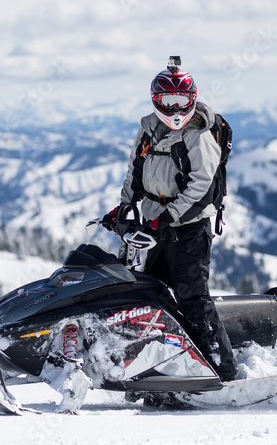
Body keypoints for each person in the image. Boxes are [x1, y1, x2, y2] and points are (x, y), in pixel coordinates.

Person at [102, 56, 238, 382]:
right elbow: (136, 169)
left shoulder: (199, 134)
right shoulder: (148, 128)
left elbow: (201, 188)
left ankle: (223, 371)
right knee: (144, 292)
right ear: (156, 99)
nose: (175, 108)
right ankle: (157, 363)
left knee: (191, 297)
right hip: (153, 223)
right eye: (168, 100)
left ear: (192, 100)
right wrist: (124, 206)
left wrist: (169, 216)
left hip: (189, 228)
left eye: (181, 100)